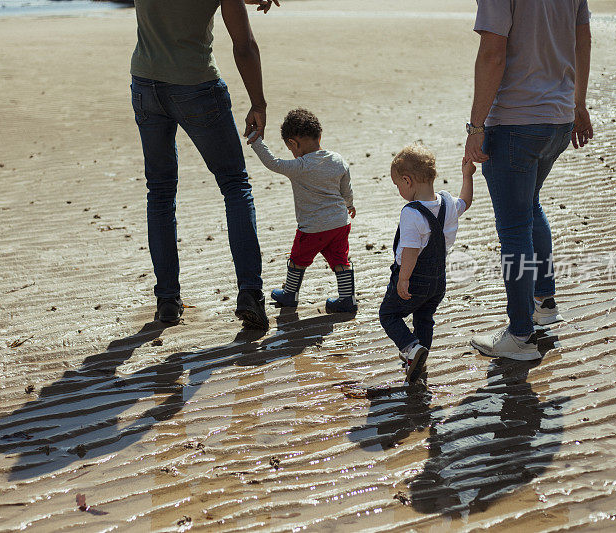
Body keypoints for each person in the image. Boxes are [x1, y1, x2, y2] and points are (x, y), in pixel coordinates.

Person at [130, 0, 278, 330]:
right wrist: (259, 102)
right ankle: (250, 294)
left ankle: (167, 300)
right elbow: (245, 45)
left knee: (160, 192)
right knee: (235, 186)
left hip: (145, 84)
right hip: (196, 86)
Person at [465, 0, 593, 360]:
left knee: (514, 227)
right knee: (530, 205)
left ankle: (520, 336)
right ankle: (544, 303)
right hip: (558, 118)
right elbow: (582, 39)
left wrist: (476, 127)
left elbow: (492, 53)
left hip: (515, 123)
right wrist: (578, 103)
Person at [379, 145, 475, 383]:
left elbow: (410, 250)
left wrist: (403, 278)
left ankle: (411, 349)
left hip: (414, 278)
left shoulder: (412, 213)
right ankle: (419, 359)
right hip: (438, 281)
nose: (398, 189)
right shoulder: (447, 203)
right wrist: (467, 176)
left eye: (397, 185)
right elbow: (466, 201)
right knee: (424, 317)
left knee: (388, 314)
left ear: (407, 180)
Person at [248, 109, 358, 313]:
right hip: (340, 224)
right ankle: (347, 299)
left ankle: (290, 295)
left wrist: (256, 141)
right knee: (340, 260)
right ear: (319, 135)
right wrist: (349, 204)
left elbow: (273, 163)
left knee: (297, 260)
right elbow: (346, 189)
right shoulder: (338, 160)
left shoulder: (300, 166)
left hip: (312, 229)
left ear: (293, 143)